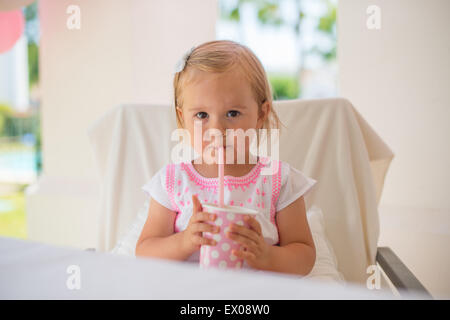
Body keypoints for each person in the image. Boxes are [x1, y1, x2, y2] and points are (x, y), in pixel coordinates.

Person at [136, 40, 317, 276]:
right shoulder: (172, 181)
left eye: (232, 113)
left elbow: (304, 256)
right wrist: (184, 242)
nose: (217, 129)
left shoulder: (278, 180)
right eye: (202, 115)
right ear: (183, 118)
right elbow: (144, 251)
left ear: (261, 114)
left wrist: (267, 255)